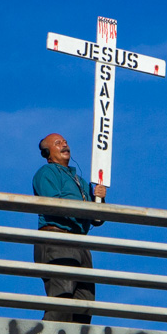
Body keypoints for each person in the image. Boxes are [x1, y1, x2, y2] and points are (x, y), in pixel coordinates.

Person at [32, 133, 107, 323]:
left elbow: (97, 219)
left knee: (85, 303)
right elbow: (55, 204)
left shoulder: (80, 182)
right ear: (48, 153)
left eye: (65, 141)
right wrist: (85, 210)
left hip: (80, 242)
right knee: (62, 298)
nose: (64, 144)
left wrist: (100, 199)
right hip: (58, 238)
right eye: (58, 143)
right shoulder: (47, 172)